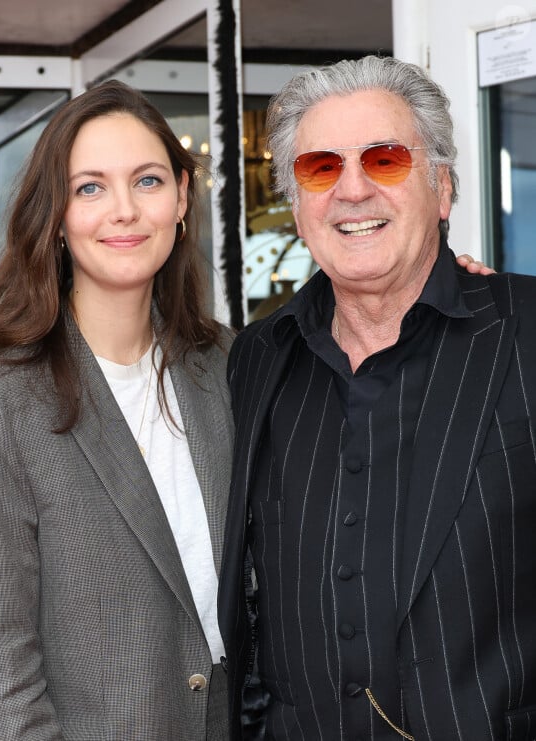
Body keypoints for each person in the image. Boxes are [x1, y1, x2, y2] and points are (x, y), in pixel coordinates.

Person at [218, 54, 536, 740]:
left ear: (442, 188)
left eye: (385, 159)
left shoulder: (527, 333)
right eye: (320, 168)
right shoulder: (256, 359)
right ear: (298, 209)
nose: (353, 190)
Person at [0, 80, 234, 740]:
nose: (124, 210)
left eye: (147, 180)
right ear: (55, 215)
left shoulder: (225, 364)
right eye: (90, 187)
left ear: (182, 199)